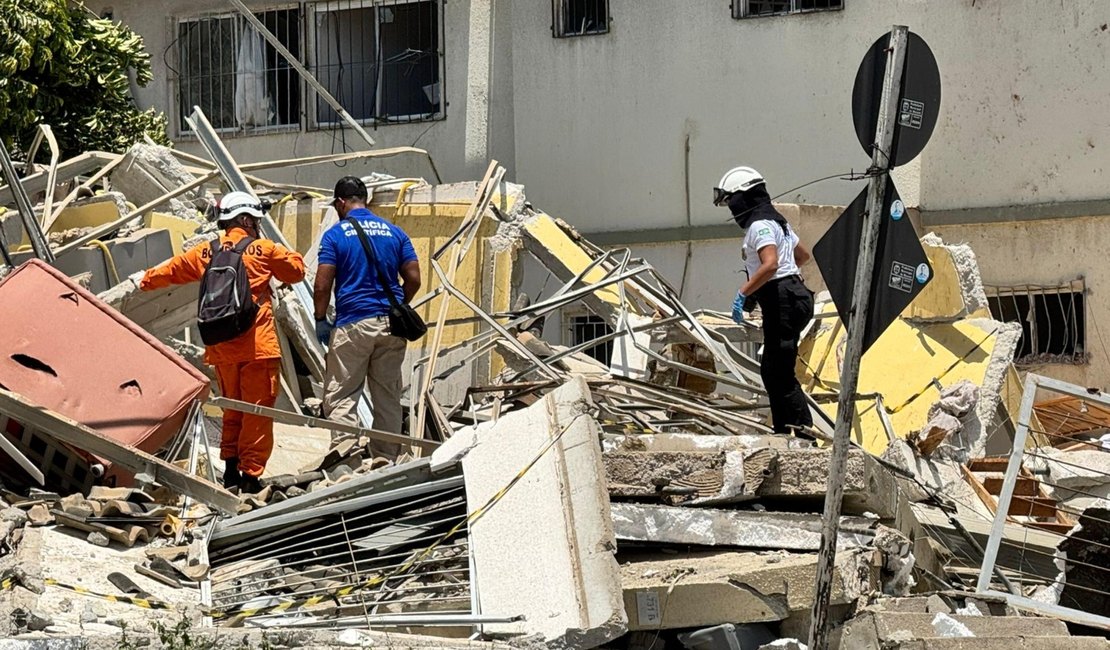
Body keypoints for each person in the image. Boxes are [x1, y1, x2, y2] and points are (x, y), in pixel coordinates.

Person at [140, 191, 306, 493]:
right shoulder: (263, 249)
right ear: (245, 219)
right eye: (255, 220)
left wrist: (144, 279)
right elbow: (296, 272)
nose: (257, 225)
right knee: (257, 410)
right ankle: (251, 477)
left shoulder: (207, 252)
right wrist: (283, 251)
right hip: (257, 347)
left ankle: (230, 471)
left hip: (221, 348)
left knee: (232, 409)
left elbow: (172, 271)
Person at [313, 176, 422, 447]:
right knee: (387, 395)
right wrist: (398, 306)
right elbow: (414, 279)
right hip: (391, 326)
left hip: (353, 323)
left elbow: (322, 284)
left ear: (340, 203)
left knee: (342, 395)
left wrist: (319, 318)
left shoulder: (335, 235)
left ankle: (345, 457)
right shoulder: (395, 232)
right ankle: (386, 457)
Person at [714, 166, 815, 435]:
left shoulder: (759, 226)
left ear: (743, 199)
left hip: (782, 300)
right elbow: (802, 257)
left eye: (731, 202)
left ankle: (803, 435)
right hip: (795, 296)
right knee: (773, 369)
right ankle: (784, 431)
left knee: (779, 372)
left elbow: (770, 265)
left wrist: (743, 292)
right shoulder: (778, 222)